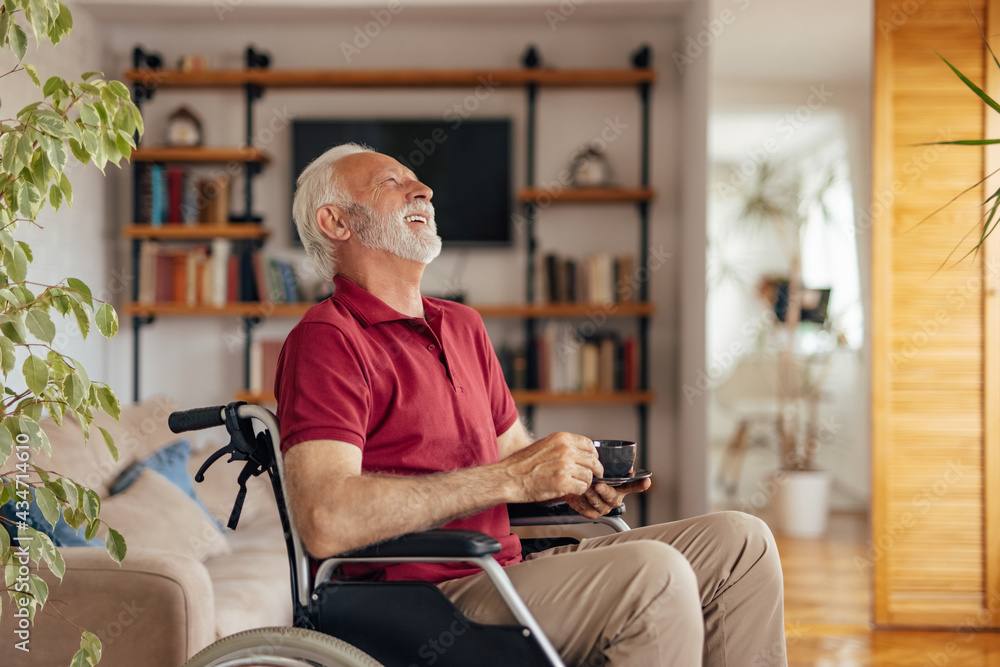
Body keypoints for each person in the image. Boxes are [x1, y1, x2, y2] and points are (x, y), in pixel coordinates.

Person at [276, 143, 787, 666]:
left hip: (507, 570)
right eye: (390, 182)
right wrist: (515, 477)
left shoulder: (462, 325)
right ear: (336, 221)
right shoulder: (327, 338)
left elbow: (513, 457)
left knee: (742, 543)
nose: (423, 189)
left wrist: (571, 488)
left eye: (418, 179)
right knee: (654, 575)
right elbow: (325, 518)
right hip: (425, 599)